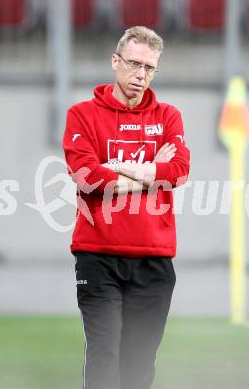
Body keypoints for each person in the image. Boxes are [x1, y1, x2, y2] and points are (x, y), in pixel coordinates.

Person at [63, 26, 190, 389]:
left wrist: (122, 168)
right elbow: (88, 177)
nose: (141, 75)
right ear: (115, 62)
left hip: (154, 260)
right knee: (104, 356)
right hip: (98, 256)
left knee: (139, 363)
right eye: (134, 64)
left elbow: (178, 170)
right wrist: (151, 171)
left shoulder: (167, 116)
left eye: (150, 68)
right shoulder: (82, 114)